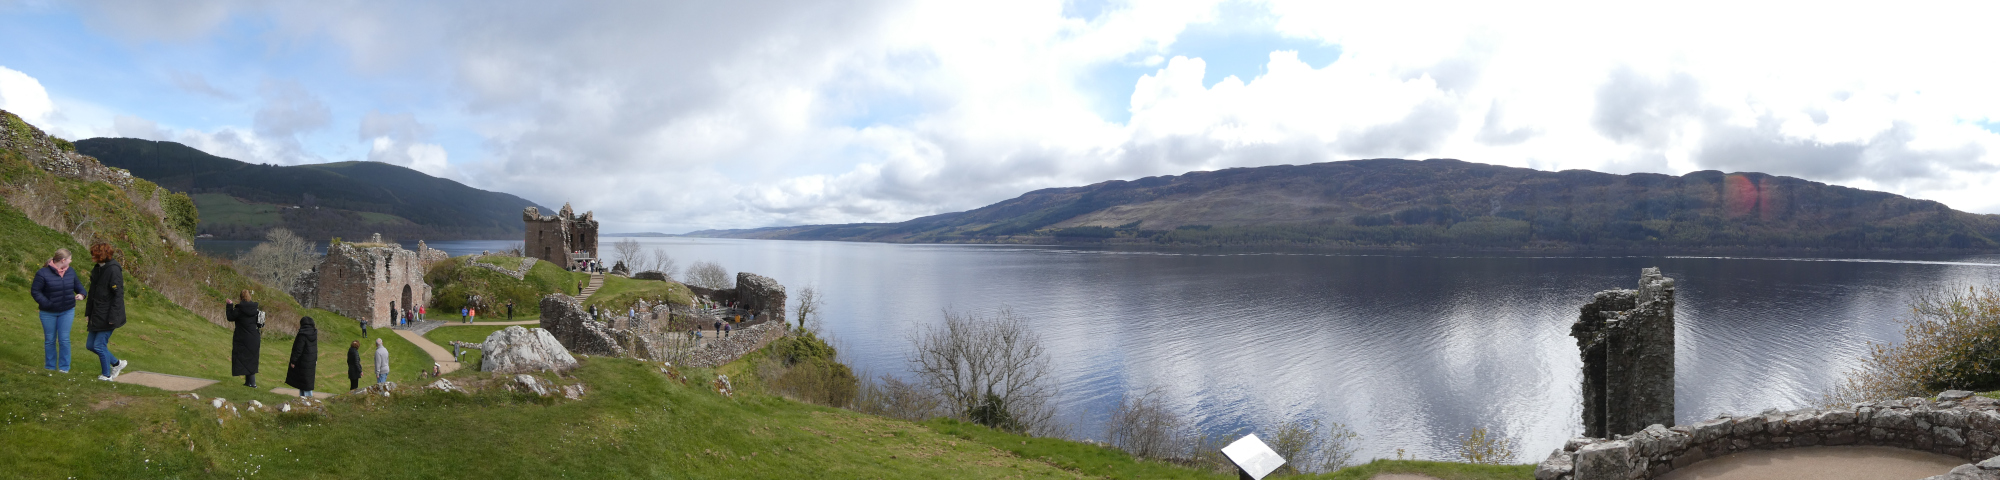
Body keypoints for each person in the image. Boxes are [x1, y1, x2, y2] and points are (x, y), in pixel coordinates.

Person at [31, 248, 84, 373]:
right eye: (70, 259)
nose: (71, 262)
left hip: (67, 311)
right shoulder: (42, 273)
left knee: (64, 339)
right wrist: (47, 304)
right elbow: (35, 291)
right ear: (63, 260)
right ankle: (50, 367)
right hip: (47, 313)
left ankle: (64, 368)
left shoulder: (70, 271)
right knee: (50, 340)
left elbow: (79, 287)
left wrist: (82, 294)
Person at [84, 243, 128, 381]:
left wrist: (113, 317)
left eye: (94, 255)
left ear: (101, 255)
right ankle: (117, 363)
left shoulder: (114, 270)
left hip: (109, 315)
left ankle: (106, 375)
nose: (92, 257)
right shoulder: (97, 269)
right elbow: (92, 293)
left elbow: (118, 295)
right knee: (90, 345)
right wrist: (88, 312)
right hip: (97, 313)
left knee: (99, 345)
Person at [225, 290, 262, 387]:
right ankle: (249, 383)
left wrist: (229, 306)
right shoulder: (256, 309)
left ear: (240, 297)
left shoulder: (239, 310)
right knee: (251, 359)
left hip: (242, 337)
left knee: (244, 358)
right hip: (254, 337)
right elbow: (261, 323)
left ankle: (252, 384)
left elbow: (230, 317)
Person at [286, 316, 319, 398]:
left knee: (304, 383)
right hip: (310, 360)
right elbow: (315, 348)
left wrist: (293, 361)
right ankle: (303, 400)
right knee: (305, 382)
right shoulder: (313, 333)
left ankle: (308, 401)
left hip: (303, 361)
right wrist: (315, 359)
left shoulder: (302, 335)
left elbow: (298, 349)